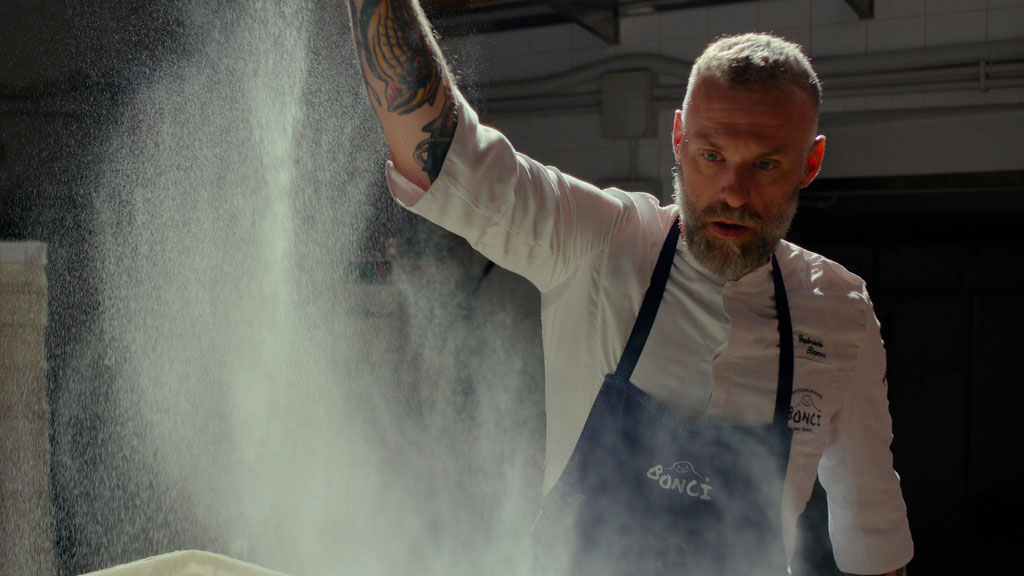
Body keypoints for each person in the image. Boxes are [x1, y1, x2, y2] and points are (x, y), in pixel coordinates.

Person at [346, 1, 913, 574]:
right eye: (711, 156)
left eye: (765, 166)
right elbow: (443, 158)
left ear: (810, 163)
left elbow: (875, 540)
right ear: (678, 139)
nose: (734, 192)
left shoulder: (839, 313)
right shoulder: (602, 243)